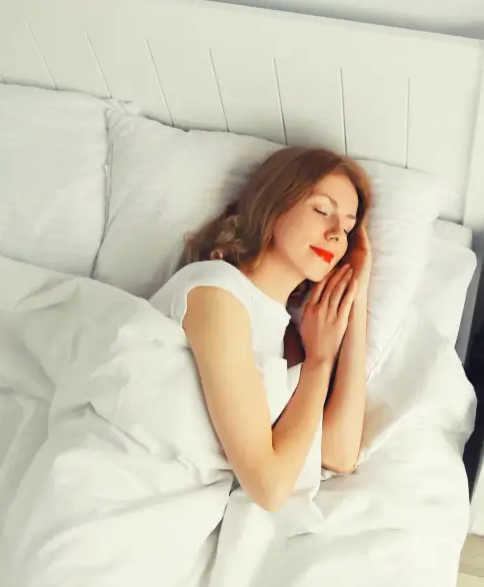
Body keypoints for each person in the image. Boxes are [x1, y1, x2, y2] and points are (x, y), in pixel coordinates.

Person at [149, 147, 372, 512]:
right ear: (274, 205)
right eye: (321, 210)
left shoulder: (284, 333)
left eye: (347, 228)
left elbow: (338, 452)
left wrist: (357, 295)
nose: (336, 234)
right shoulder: (216, 293)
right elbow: (270, 489)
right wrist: (318, 361)